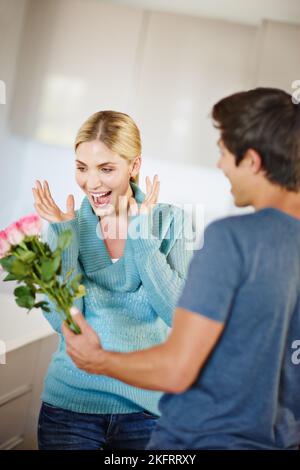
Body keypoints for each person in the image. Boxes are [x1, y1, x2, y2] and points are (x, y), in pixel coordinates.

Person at [63, 88, 300, 450]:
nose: (220, 164)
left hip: (201, 440)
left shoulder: (231, 240)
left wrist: (99, 361)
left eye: (223, 152)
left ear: (251, 160)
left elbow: (177, 369)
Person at [32, 110, 193, 450]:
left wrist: (142, 233)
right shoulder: (66, 225)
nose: (92, 183)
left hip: (149, 411)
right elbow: (63, 322)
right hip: (69, 409)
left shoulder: (170, 221)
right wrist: (63, 240)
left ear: (134, 166)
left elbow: (177, 315)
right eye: (82, 168)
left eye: (106, 169)